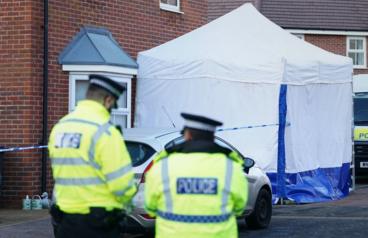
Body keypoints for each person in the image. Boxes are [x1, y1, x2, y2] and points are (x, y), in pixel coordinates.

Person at [48, 74, 136, 238]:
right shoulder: (105, 132)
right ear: (108, 100)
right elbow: (122, 185)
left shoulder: (60, 127)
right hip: (98, 224)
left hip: (64, 222)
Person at [144, 113, 248, 238]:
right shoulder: (231, 167)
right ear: (213, 137)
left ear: (187, 135)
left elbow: (150, 206)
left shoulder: (163, 166)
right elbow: (239, 207)